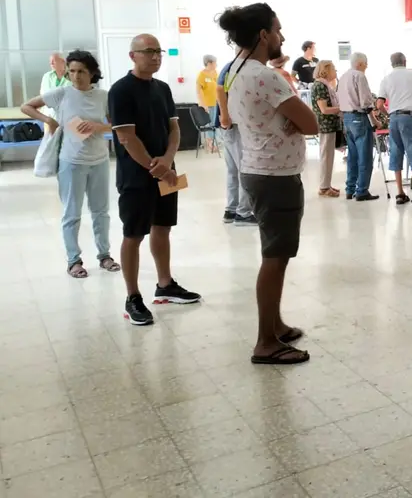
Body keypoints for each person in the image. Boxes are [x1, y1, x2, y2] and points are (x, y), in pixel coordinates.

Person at [219, 3, 318, 365]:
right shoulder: (265, 75)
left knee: (275, 254)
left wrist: (287, 117)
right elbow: (311, 123)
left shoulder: (235, 70)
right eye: (278, 30)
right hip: (275, 176)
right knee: (274, 259)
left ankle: (274, 324)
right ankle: (265, 341)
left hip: (258, 170)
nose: (281, 37)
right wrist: (292, 118)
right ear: (263, 34)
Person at [109, 34, 201, 326]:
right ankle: (133, 297)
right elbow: (126, 137)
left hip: (166, 171)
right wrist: (156, 165)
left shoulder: (162, 88)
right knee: (134, 235)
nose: (156, 56)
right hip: (137, 175)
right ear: (132, 56)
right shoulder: (121, 90)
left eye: (158, 51)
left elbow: (174, 129)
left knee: (162, 227)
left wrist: (168, 159)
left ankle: (165, 284)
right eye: (148, 51)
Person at [21, 51, 118, 278]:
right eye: (72, 71)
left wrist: (97, 127)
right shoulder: (61, 94)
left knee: (101, 212)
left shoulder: (103, 96)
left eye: (81, 71)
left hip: (99, 161)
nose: (75, 76)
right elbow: (27, 106)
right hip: (71, 162)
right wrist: (49, 120)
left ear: (92, 73)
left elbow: (117, 124)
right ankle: (74, 260)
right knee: (72, 213)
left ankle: (104, 255)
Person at [377, 51, 412, 207]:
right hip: (409, 117)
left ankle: (400, 193)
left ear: (392, 63)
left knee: (396, 151)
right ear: (404, 61)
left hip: (394, 118)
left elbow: (379, 104)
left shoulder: (386, 79)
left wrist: (389, 115)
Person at [216, 49, 256, 226]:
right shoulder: (236, 67)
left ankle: (231, 210)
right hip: (234, 125)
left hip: (229, 126)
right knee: (244, 169)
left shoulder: (231, 67)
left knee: (233, 170)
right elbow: (219, 90)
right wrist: (225, 116)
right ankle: (243, 213)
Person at [338, 52, 379, 201]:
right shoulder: (359, 76)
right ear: (361, 63)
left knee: (352, 156)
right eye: (366, 64)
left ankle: (350, 189)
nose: (366, 67)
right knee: (365, 157)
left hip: (346, 118)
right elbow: (366, 103)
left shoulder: (342, 77)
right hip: (359, 118)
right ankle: (361, 191)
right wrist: (375, 121)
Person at [311, 59, 343, 197]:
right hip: (325, 125)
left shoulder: (326, 85)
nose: (335, 71)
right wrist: (341, 109)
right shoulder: (320, 86)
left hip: (330, 125)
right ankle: (324, 187)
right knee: (326, 156)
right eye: (333, 68)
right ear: (326, 70)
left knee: (329, 156)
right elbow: (324, 109)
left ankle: (326, 184)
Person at [39, 52, 71, 124]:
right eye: (50, 61)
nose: (51, 63)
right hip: (49, 117)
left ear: (62, 62)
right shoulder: (47, 76)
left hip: (68, 117)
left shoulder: (71, 75)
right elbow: (44, 94)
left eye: (53, 61)